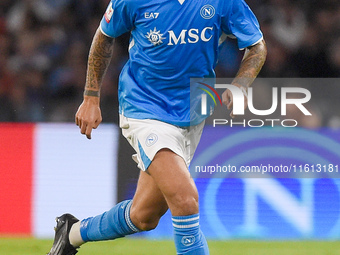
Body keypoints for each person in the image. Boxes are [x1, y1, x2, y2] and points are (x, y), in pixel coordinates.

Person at [47, 0, 266, 254]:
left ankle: (71, 233)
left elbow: (256, 45)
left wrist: (241, 83)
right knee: (185, 199)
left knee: (144, 216)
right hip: (143, 107)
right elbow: (104, 36)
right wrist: (90, 97)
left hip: (192, 113)